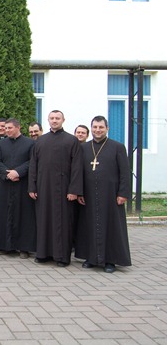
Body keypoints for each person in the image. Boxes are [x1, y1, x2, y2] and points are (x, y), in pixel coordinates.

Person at [75, 116, 131, 274]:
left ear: (107, 129)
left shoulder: (117, 147)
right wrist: (79, 191)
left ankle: (110, 260)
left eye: (101, 127)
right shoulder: (84, 148)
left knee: (111, 226)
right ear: (91, 129)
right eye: (95, 127)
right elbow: (78, 172)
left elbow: (125, 172)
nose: (97, 130)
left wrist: (123, 193)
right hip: (89, 194)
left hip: (111, 195)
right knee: (89, 225)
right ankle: (90, 258)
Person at [29, 110, 83, 267]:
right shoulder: (40, 141)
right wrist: (32, 186)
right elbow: (33, 165)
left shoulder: (72, 141)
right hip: (43, 187)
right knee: (43, 220)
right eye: (52, 118)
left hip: (64, 189)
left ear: (63, 120)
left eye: (57, 118)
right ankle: (43, 254)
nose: (54, 121)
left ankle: (62, 256)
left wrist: (74, 190)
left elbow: (77, 167)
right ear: (48, 120)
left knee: (62, 223)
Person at [0, 119, 36, 257]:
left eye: (9, 128)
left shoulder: (30, 143)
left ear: (18, 127)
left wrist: (18, 172)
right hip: (5, 184)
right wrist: (7, 174)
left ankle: (23, 248)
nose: (7, 130)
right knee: (4, 214)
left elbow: (32, 161)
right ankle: (5, 246)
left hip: (22, 183)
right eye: (6, 128)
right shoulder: (2, 144)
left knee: (23, 215)